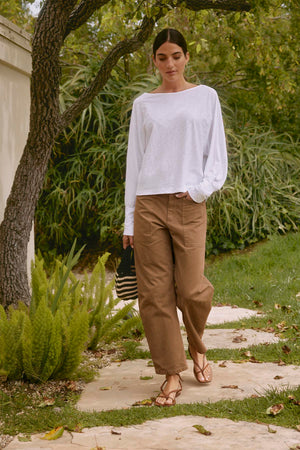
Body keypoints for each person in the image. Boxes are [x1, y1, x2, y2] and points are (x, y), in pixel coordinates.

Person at [122, 28, 227, 407]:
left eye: (176, 56)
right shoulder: (143, 104)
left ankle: (197, 346)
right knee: (154, 294)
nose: (170, 64)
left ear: (187, 57)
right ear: (154, 60)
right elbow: (134, 163)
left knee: (193, 287)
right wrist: (129, 221)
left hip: (188, 202)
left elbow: (216, 154)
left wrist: (200, 190)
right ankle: (170, 372)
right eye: (162, 57)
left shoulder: (206, 98)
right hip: (148, 202)